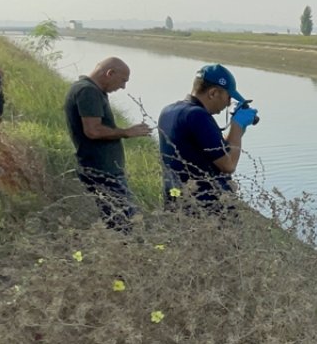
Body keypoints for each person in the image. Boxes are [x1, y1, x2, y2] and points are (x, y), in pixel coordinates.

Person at [63, 57, 152, 231]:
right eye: (122, 81)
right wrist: (126, 132)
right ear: (110, 73)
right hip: (102, 171)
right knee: (123, 223)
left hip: (105, 169)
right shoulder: (88, 91)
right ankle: (122, 253)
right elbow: (93, 130)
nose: (123, 87)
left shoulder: (91, 90)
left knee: (119, 219)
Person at [157, 64, 258, 209]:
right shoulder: (197, 116)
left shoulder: (169, 111)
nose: (228, 103)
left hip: (176, 198)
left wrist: (238, 130)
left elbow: (217, 151)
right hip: (203, 207)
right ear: (213, 93)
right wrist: (236, 126)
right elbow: (228, 165)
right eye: (228, 97)